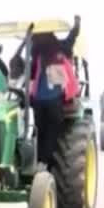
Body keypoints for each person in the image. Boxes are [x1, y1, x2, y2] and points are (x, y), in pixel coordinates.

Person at [27, 15, 81, 171]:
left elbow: (72, 37)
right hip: (39, 100)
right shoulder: (37, 55)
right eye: (38, 37)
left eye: (41, 36)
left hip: (54, 99)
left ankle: (45, 162)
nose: (39, 39)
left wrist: (77, 26)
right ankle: (40, 161)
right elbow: (29, 74)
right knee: (39, 131)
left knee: (51, 132)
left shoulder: (60, 49)